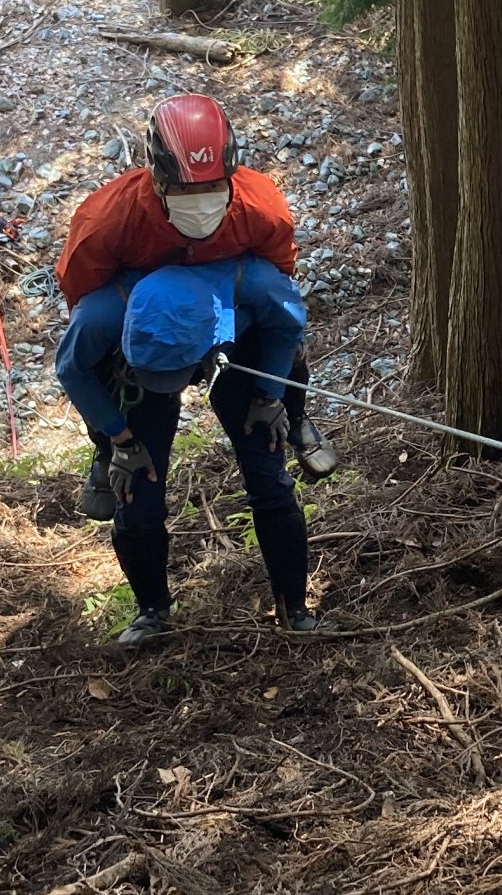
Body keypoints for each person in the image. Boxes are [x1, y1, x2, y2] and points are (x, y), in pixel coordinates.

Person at [56, 94, 336, 519]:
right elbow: (83, 307)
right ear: (158, 180)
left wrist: (269, 392)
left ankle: (295, 417)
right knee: (97, 360)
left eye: (212, 187)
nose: (201, 200)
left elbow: (281, 288)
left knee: (282, 328)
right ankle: (104, 447)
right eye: (186, 190)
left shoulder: (261, 207)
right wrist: (119, 433)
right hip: (146, 312)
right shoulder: (106, 222)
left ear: (230, 175)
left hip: (230, 299)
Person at [53, 258, 319, 645]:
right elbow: (73, 371)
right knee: (136, 492)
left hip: (236, 351)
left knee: (269, 477)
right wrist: (120, 438)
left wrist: (270, 397)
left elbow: (288, 327)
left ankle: (293, 609)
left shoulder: (253, 286)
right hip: (136, 366)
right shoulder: (100, 315)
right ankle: (151, 614)